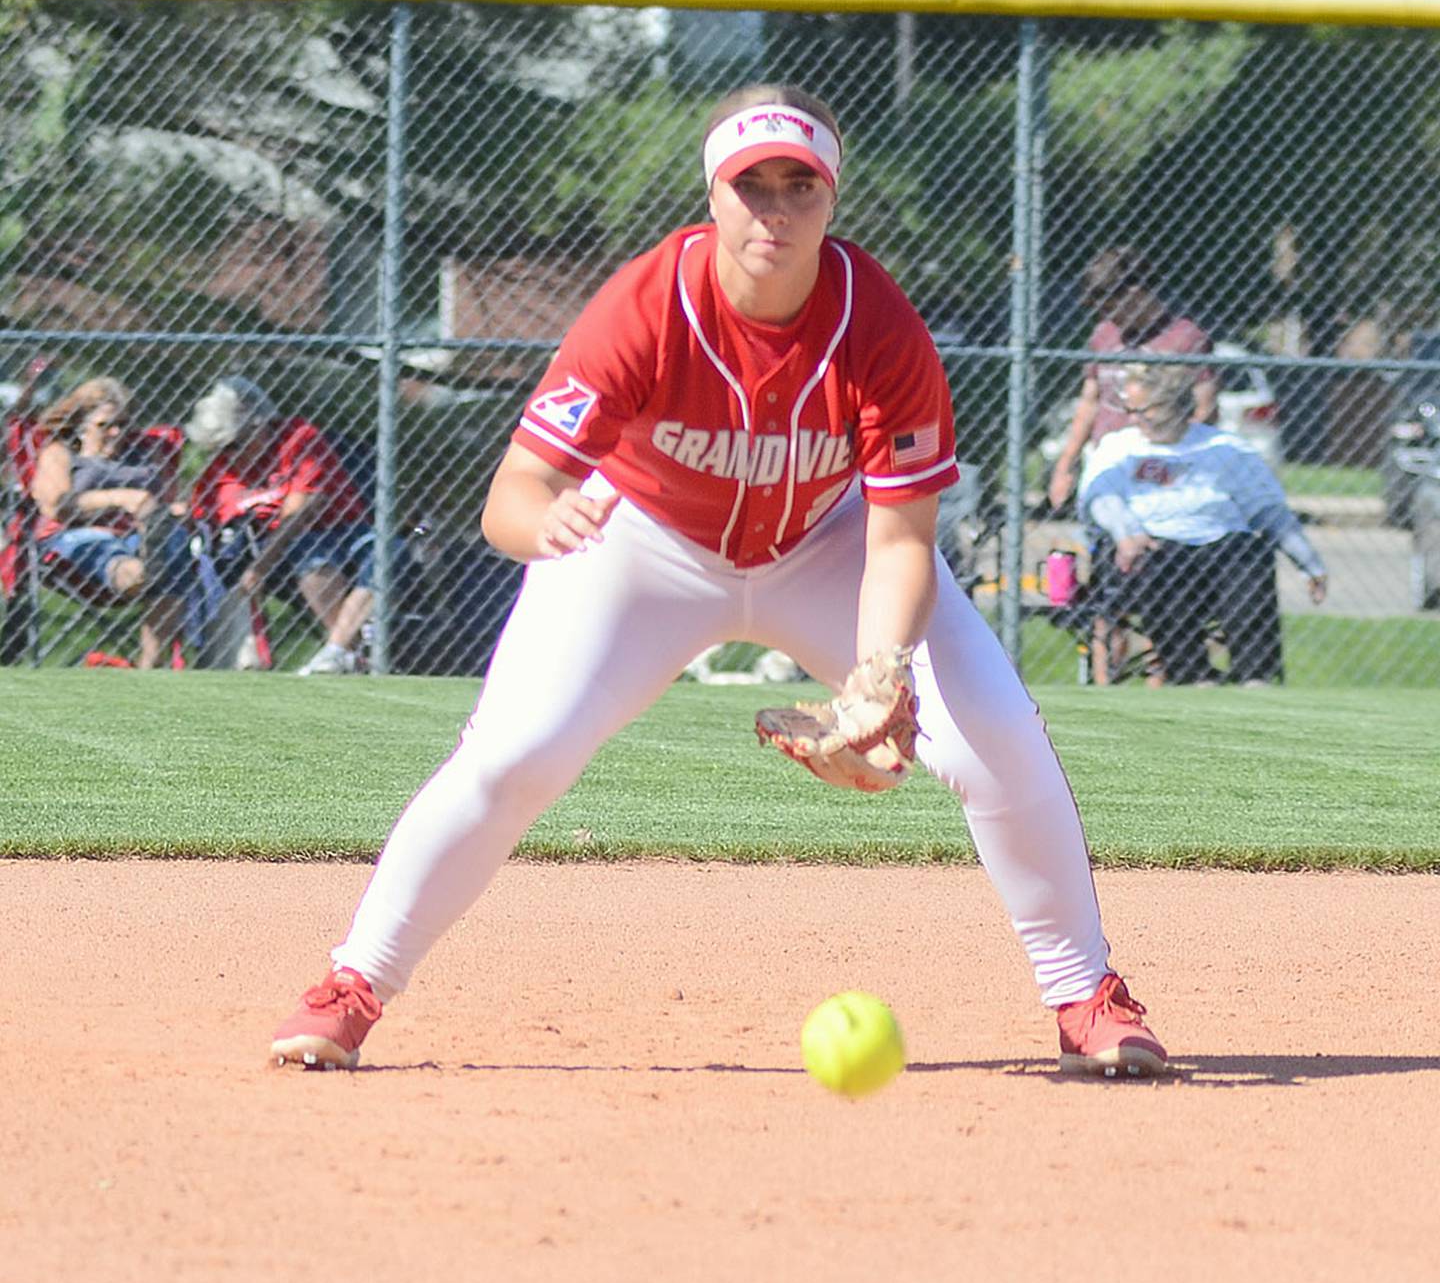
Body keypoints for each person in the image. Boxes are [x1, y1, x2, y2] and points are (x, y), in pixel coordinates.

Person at [271, 83, 1167, 1079]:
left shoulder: (879, 326)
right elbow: (511, 499)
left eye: (799, 186)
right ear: (714, 196)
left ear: (832, 200)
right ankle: (351, 988)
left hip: (826, 545)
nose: (773, 210)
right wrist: (548, 521)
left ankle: (1087, 995)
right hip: (642, 544)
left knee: (994, 731)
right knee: (517, 752)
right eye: (752, 185)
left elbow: (901, 536)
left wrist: (879, 671)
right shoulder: (648, 304)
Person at [1078, 363, 1328, 686]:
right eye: (1130, 409)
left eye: (1145, 409)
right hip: (1149, 546)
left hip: (1218, 547)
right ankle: (1192, 675)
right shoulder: (1119, 446)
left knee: (1249, 551)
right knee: (1162, 564)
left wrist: (1309, 562)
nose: (1134, 417)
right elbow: (1100, 498)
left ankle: (1255, 677)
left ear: (1179, 407)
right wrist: (1127, 534)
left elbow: (1268, 510)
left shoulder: (1226, 449)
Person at [1047, 247, 1219, 682]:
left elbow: (1204, 411)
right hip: (1108, 482)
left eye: (1112, 302)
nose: (1107, 315)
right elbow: (1089, 401)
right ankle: (1106, 685)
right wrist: (1067, 463)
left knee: (1162, 588)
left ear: (1138, 291)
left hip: (1160, 486)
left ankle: (1158, 683)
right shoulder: (1105, 337)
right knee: (1108, 589)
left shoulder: (1185, 340)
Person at [186, 378, 376, 676]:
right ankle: (351, 654)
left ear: (258, 425)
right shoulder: (223, 468)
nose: (230, 456)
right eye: (221, 449)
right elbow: (197, 518)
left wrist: (259, 568)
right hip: (282, 555)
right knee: (307, 553)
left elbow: (300, 512)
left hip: (340, 529)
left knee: (385, 553)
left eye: (235, 444)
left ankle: (339, 650)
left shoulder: (298, 438)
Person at [27, 376, 191, 670]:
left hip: (140, 533)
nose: (117, 432)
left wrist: (170, 511)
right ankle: (147, 572)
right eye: (105, 425)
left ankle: (150, 665)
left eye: (124, 424)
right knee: (133, 561)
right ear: (81, 424)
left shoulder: (147, 453)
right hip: (74, 540)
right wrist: (120, 497)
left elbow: (166, 500)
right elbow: (56, 506)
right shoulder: (61, 453)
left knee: (172, 539)